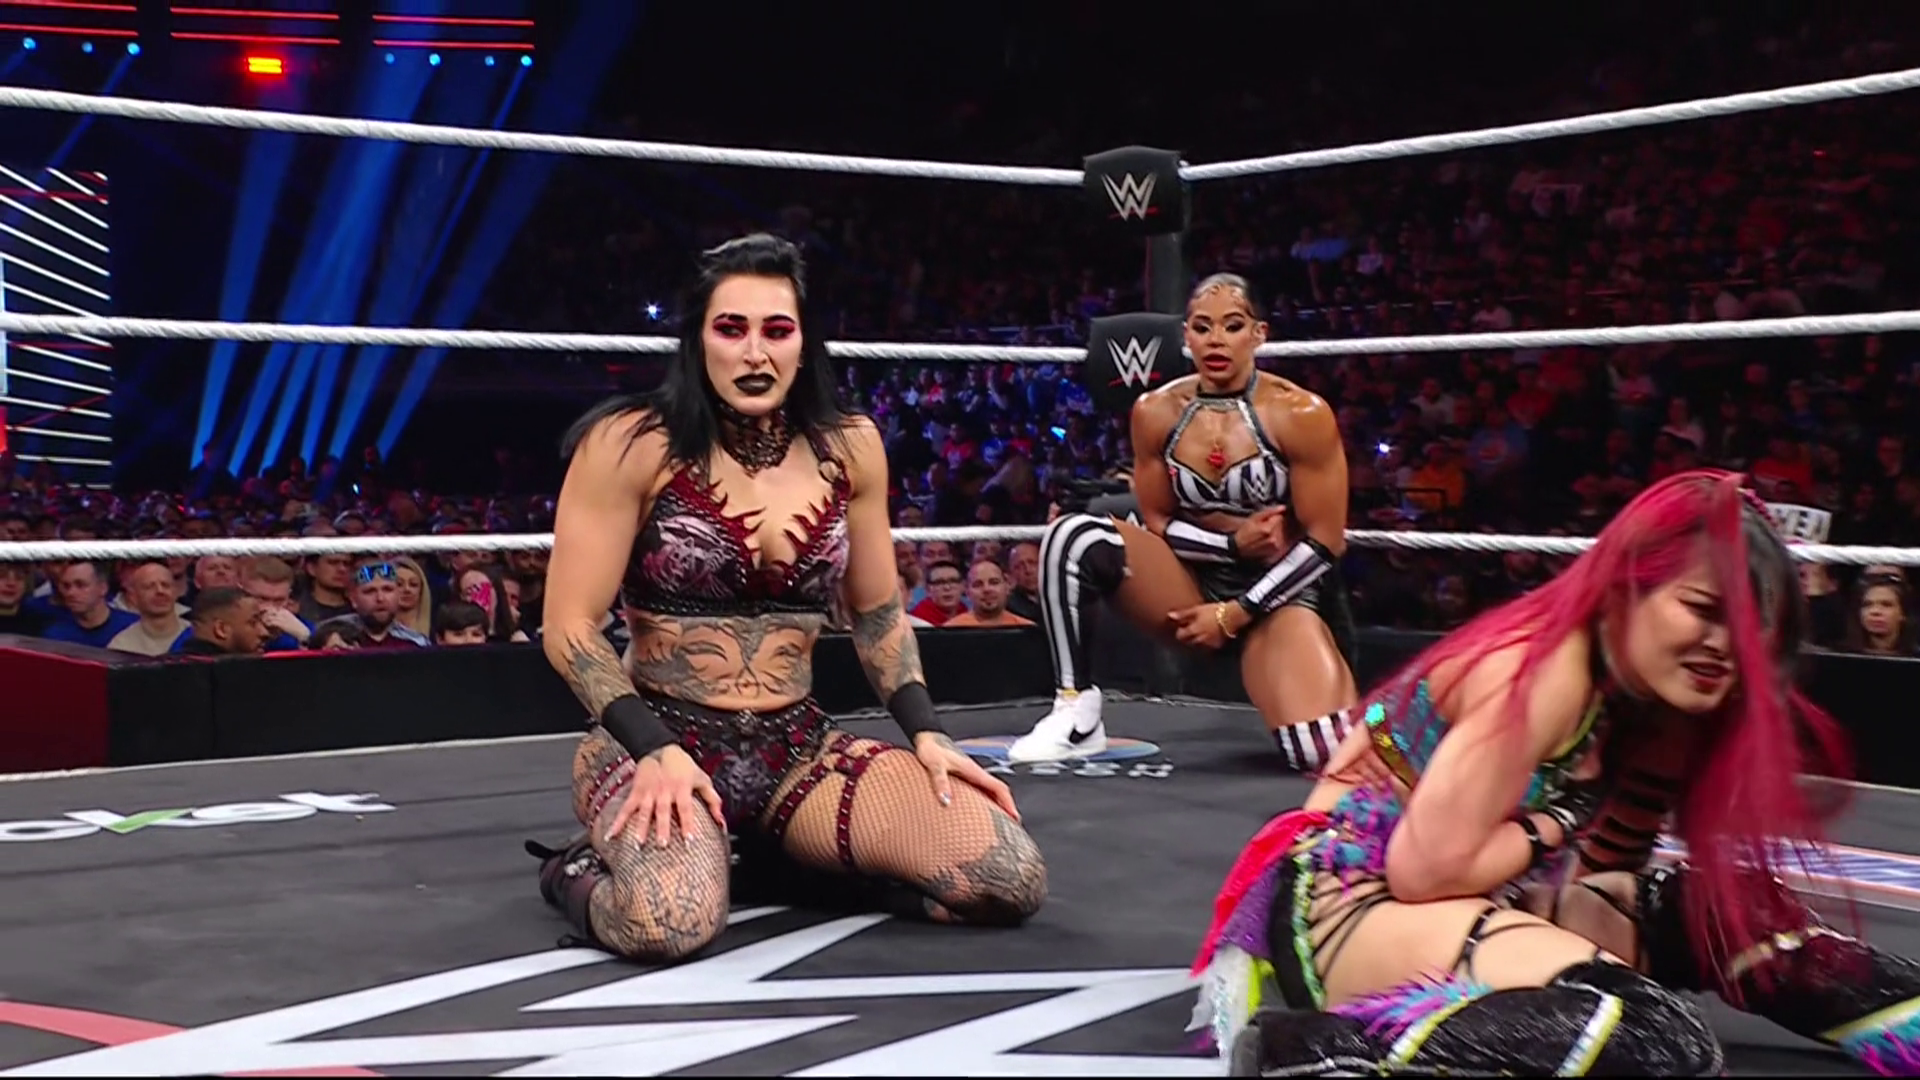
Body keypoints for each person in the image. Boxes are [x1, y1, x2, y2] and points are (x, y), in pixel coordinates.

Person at [1195, 470, 1920, 1077]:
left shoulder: (1648, 694)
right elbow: (1423, 872)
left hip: (1468, 891)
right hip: (1347, 899)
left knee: (1725, 913)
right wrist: (1559, 820)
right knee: (1650, 1039)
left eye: (1752, 629)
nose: (1725, 646)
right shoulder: (1542, 670)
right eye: (1702, 609)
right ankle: (1311, 1051)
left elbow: (1605, 868)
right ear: (1628, 587)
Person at [526, 233, 1046, 963]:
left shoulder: (849, 446)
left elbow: (878, 613)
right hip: (655, 742)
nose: (754, 353)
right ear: (698, 341)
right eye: (730, 329)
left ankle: (777, 865)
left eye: (776, 330)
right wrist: (653, 748)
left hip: (798, 751)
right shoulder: (632, 443)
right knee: (666, 923)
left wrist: (928, 733)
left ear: (804, 343)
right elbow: (570, 628)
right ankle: (572, 870)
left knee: (1007, 877)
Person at [1009, 273, 1359, 770]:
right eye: (1202, 327)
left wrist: (1235, 612)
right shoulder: (1156, 411)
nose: (1216, 340)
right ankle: (1075, 710)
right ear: (1186, 336)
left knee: (1321, 752)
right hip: (1188, 583)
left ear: (1259, 334)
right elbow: (1156, 519)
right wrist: (1232, 546)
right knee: (1072, 533)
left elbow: (1326, 542)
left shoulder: (1300, 413)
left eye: (1232, 326)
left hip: (1278, 597)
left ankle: (1373, 716)